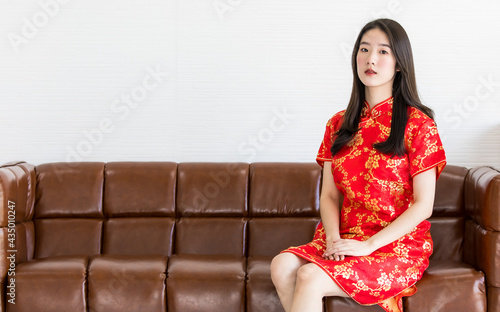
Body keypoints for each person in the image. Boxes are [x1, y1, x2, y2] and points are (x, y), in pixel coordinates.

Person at [270, 18, 446, 312]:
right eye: (364, 50)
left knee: (310, 276)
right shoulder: (338, 125)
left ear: (399, 63)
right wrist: (334, 240)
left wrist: (368, 246)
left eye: (383, 52)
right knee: (281, 265)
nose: (371, 59)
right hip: (344, 237)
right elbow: (328, 196)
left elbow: (423, 205)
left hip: (395, 246)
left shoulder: (419, 125)